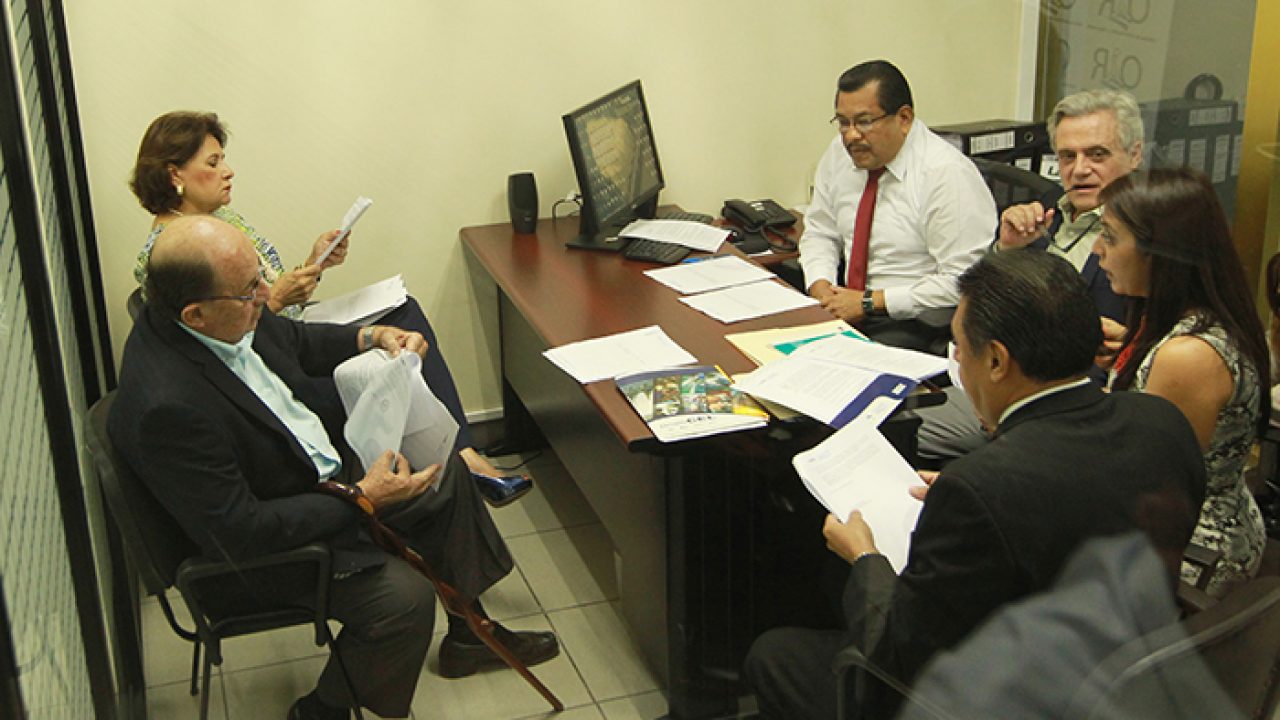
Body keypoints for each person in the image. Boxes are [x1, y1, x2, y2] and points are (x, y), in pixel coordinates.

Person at [110, 216, 559, 720]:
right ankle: (320, 710)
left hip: (307, 472)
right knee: (404, 600)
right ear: (195, 314)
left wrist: (373, 336)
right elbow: (241, 531)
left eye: (259, 279)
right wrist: (362, 499)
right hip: (263, 550)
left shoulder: (217, 315)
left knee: (442, 470)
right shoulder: (168, 407)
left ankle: (469, 632)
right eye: (250, 291)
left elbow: (296, 341)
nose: (266, 294)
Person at [742, 250, 1206, 720]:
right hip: (1127, 675)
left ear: (998, 360)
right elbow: (1079, 494)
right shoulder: (1162, 422)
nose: (958, 362)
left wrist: (864, 556)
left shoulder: (981, 486)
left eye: (959, 349)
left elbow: (902, 652)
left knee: (776, 654)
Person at [128, 110, 530, 507]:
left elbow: (259, 291)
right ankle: (458, 463)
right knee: (393, 353)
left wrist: (313, 265)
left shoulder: (218, 218)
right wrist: (278, 298)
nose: (228, 172)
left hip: (288, 326)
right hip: (277, 357)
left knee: (403, 316)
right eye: (213, 163)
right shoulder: (168, 256)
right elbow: (231, 336)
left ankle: (461, 456)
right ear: (175, 174)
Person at [916, 88, 1143, 465]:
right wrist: (1007, 250)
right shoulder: (1047, 208)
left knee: (899, 430)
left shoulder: (1141, 235)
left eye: (1097, 155)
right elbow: (982, 301)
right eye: (1068, 156)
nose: (1079, 169)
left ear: (1134, 154)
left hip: (1058, 407)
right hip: (987, 375)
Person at [1095, 167, 1270, 597]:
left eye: (1110, 237)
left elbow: (1142, 485)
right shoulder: (1177, 323)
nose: (1098, 251)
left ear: (1159, 252)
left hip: (1188, 553)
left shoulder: (1187, 357)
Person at [798, 60, 994, 351]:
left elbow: (962, 280)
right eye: (843, 122)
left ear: (904, 118)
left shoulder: (946, 174)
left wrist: (869, 302)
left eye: (864, 121)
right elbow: (820, 231)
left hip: (913, 320)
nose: (851, 135)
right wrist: (820, 287)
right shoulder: (840, 154)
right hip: (845, 302)